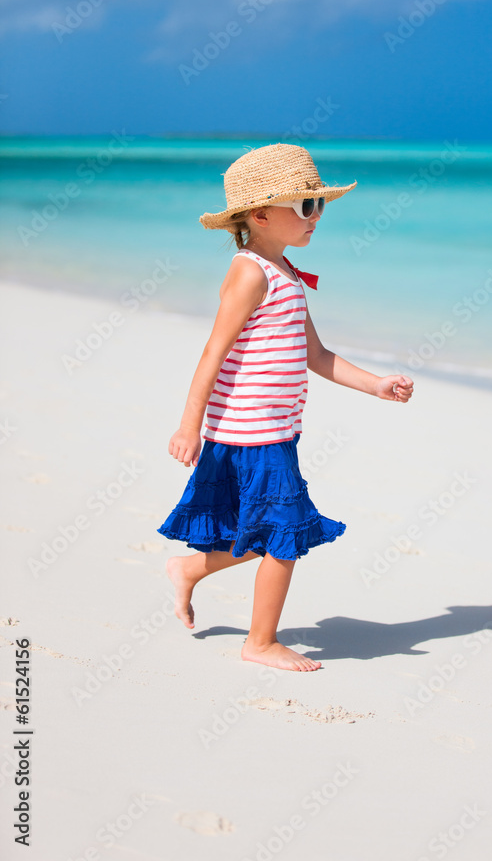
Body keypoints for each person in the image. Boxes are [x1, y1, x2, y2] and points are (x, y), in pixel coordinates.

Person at [158, 143, 414, 672]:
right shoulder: (250, 273)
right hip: (247, 432)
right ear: (260, 215)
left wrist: (376, 385)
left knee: (264, 529)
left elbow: (316, 355)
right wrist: (189, 425)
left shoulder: (287, 274)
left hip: (276, 430)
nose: (316, 216)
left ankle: (189, 570)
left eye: (319, 205)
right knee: (285, 533)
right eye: (305, 207)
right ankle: (260, 642)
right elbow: (213, 350)